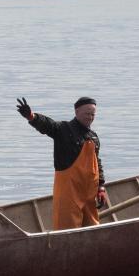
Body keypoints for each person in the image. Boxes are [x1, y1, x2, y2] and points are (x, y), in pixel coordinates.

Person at [17, 96, 107, 230]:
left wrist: (101, 187)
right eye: (87, 113)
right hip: (68, 193)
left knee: (93, 229)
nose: (90, 117)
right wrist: (31, 116)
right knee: (66, 229)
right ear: (76, 112)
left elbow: (97, 162)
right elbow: (48, 125)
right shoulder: (64, 129)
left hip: (89, 193)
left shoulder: (93, 136)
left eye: (93, 114)